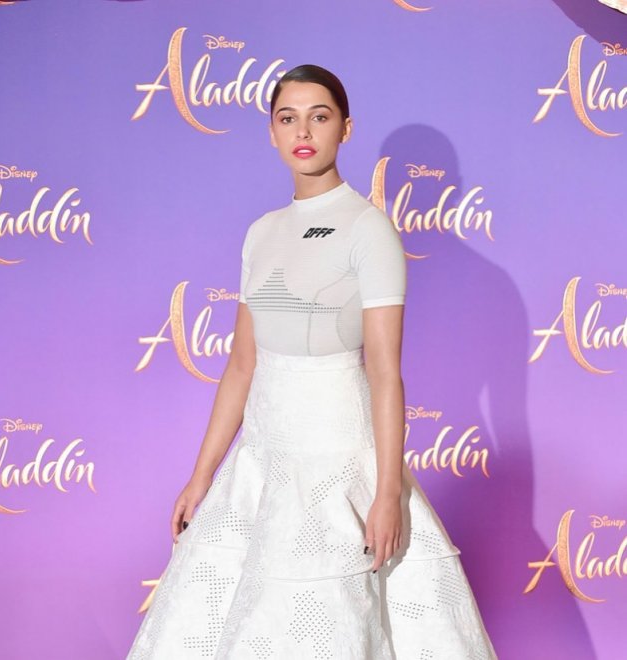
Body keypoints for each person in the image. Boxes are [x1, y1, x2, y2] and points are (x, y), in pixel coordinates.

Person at [127, 64, 498, 659]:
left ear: (345, 128)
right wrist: (201, 476)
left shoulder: (368, 229)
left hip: (339, 458)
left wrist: (385, 493)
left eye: (319, 116)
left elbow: (384, 371)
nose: (303, 131)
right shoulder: (261, 233)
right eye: (287, 118)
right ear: (272, 132)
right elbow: (242, 364)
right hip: (261, 462)